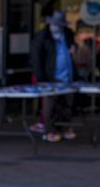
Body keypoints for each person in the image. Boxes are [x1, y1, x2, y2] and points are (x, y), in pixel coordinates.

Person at [30, 10, 78, 141]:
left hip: (67, 76)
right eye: (55, 24)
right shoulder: (42, 37)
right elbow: (36, 59)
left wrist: (74, 48)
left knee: (67, 104)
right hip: (51, 77)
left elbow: (73, 47)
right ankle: (51, 130)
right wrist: (41, 78)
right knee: (50, 105)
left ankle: (65, 128)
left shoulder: (67, 34)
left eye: (60, 25)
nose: (57, 27)